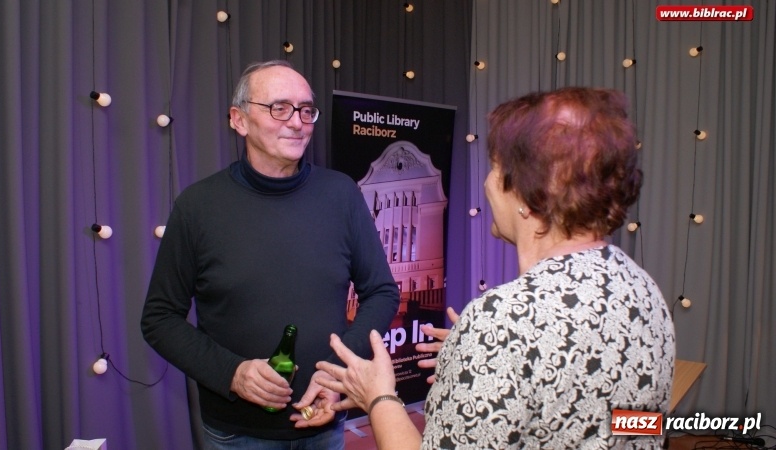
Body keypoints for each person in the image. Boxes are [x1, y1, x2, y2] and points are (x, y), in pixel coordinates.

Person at [315, 87, 676, 449]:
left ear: (529, 192)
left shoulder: (502, 321)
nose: (488, 182)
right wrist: (478, 356)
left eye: (496, 166)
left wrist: (379, 397)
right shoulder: (643, 287)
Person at [140, 60, 399, 449]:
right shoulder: (198, 206)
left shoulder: (341, 194)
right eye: (279, 108)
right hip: (237, 434)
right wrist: (233, 373)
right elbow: (159, 318)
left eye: (306, 110)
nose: (297, 122)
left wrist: (339, 372)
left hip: (323, 423)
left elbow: (381, 292)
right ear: (239, 120)